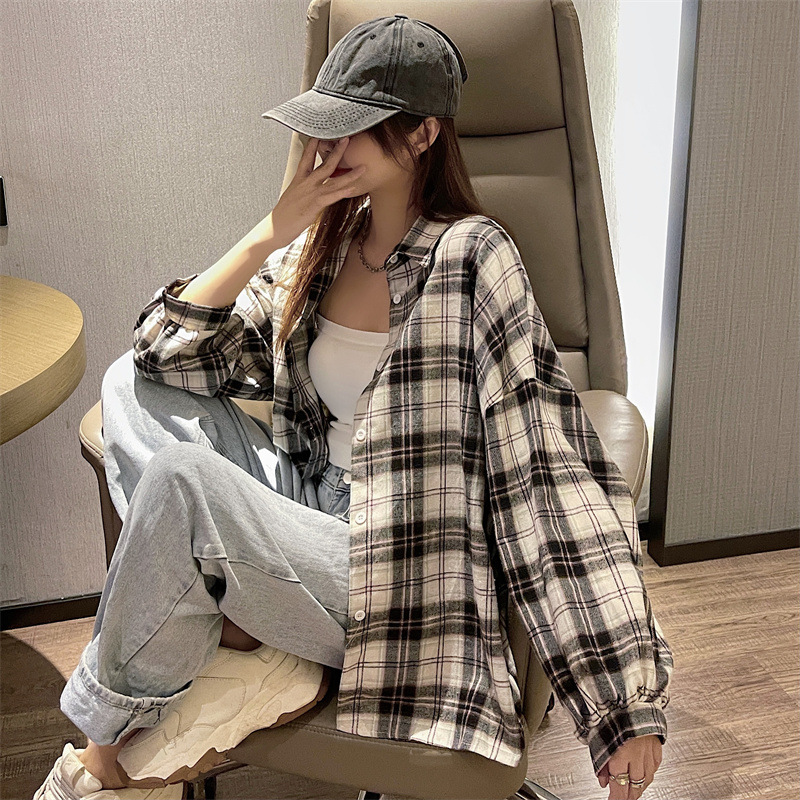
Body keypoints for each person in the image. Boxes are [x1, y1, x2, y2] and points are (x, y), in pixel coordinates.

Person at [34, 13, 673, 800]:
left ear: (423, 135)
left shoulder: (475, 257)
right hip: (304, 507)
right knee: (128, 388)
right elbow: (165, 355)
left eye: (352, 128)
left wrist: (624, 702)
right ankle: (253, 631)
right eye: (322, 126)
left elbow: (548, 475)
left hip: (395, 565)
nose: (325, 147)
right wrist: (270, 232)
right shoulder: (328, 245)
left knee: (180, 484)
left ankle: (103, 757)